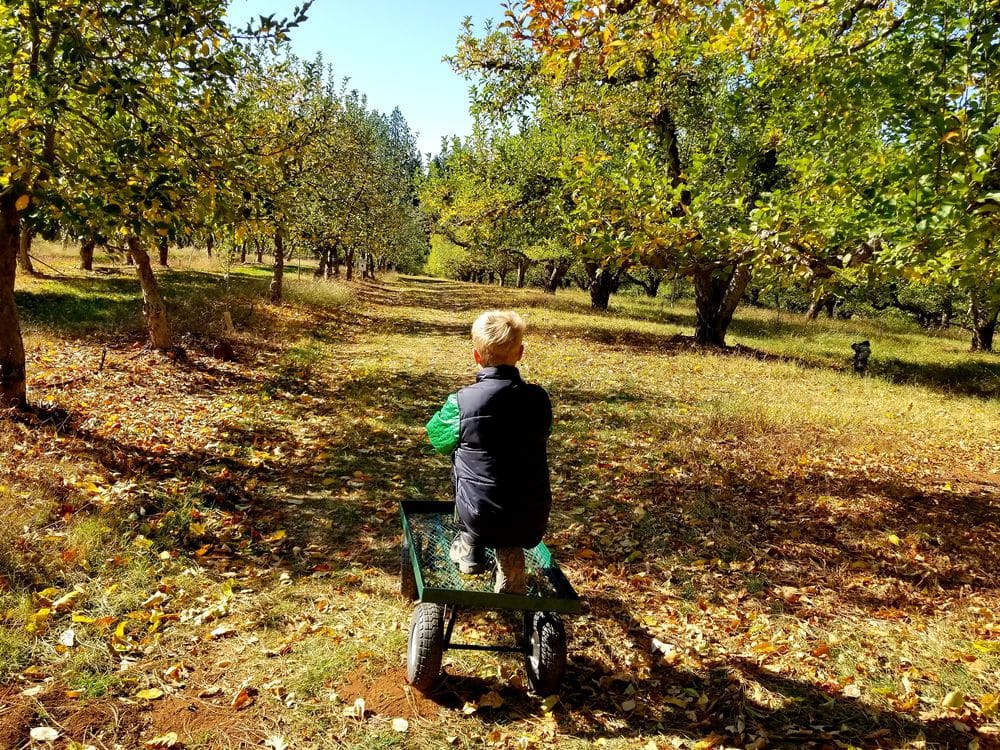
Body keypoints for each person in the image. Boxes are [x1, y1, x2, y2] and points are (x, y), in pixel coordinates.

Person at [425, 310, 553, 594]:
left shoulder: (461, 402)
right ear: (520, 353)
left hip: (481, 516)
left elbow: (437, 439)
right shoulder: (540, 400)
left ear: (476, 356)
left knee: (461, 454)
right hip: (533, 517)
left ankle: (469, 546)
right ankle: (510, 553)